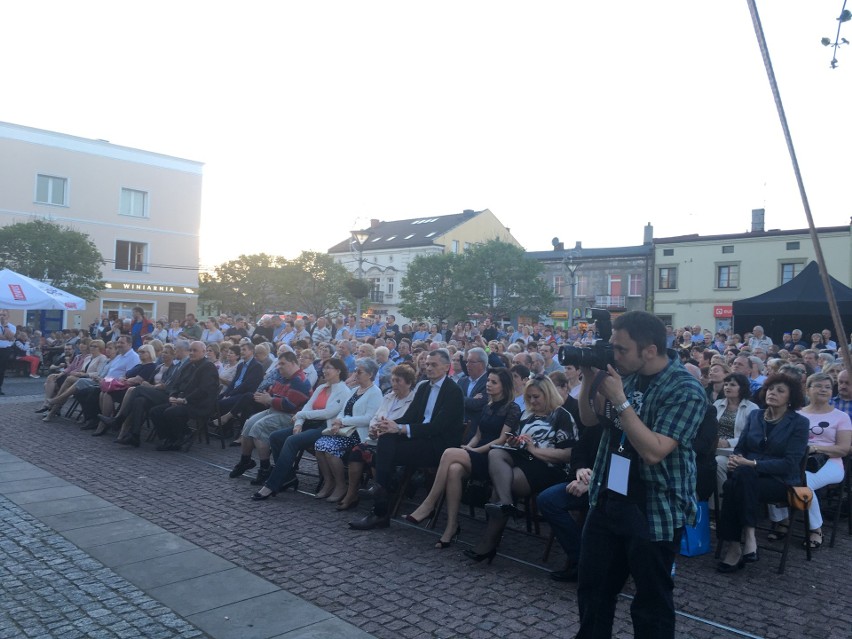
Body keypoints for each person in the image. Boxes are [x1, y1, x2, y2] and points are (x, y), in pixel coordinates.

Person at [574, 311, 706, 639]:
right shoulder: (626, 374)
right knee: (593, 589)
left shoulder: (685, 389)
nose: (614, 355)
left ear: (649, 350)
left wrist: (620, 400)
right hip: (608, 496)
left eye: (620, 349)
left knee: (650, 602)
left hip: (653, 506)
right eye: (612, 348)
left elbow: (654, 450)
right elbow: (590, 420)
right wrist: (590, 377)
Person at [404, 367, 521, 548]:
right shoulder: (487, 406)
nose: (488, 384)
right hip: (479, 451)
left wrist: (474, 451)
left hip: (494, 459)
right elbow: (478, 435)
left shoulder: (512, 408)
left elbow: (501, 440)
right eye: (488, 380)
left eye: (493, 382)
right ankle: (451, 527)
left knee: (449, 453)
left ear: (504, 386)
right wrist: (469, 447)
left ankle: (429, 504)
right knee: (454, 469)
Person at [464, 375, 576, 562]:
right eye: (529, 397)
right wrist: (514, 442)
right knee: (495, 453)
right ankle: (506, 505)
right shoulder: (527, 415)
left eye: (536, 397)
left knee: (501, 487)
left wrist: (534, 448)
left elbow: (567, 454)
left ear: (547, 394)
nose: (532, 401)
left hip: (547, 466)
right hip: (521, 459)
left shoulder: (562, 416)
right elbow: (514, 441)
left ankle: (488, 543)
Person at [349, 349, 464, 530]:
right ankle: (381, 495)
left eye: (434, 364)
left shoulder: (453, 391)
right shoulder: (424, 386)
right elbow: (411, 416)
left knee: (385, 453)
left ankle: (379, 504)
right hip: (419, 439)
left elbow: (437, 427)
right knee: (386, 438)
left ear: (446, 366)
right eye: (427, 364)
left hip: (438, 446)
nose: (429, 367)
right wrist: (388, 425)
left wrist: (400, 428)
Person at [716, 374, 808, 571]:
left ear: (790, 398)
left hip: (780, 481)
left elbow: (790, 464)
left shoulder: (799, 423)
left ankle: (736, 547)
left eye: (780, 390)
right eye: (770, 389)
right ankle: (748, 539)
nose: (772, 393)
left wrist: (752, 463)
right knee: (739, 479)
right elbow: (740, 448)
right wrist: (735, 459)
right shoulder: (756, 415)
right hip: (748, 477)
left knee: (733, 485)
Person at [765, 373, 851, 549]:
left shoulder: (841, 417)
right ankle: (783, 519)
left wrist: (814, 448)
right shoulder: (796, 414)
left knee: (802, 482)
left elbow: (843, 449)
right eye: (818, 386)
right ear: (808, 389)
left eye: (827, 387)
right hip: (796, 460)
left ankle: (815, 529)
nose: (823, 390)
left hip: (830, 462)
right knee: (772, 472)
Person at [250, 358, 351, 498]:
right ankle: (288, 476)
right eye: (324, 368)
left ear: (338, 371)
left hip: (324, 427)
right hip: (309, 423)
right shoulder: (322, 387)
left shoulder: (343, 390)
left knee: (292, 441)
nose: (324, 371)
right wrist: (298, 423)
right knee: (276, 437)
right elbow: (308, 406)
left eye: (329, 368)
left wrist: (300, 415)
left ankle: (272, 485)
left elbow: (329, 412)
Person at [335, 365, 418, 511]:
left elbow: (407, 423)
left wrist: (385, 429)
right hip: (377, 437)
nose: (394, 384)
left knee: (374, 456)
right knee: (357, 451)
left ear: (409, 383)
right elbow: (375, 416)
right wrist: (373, 428)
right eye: (392, 380)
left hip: (396, 442)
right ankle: (352, 493)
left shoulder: (413, 402)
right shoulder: (389, 397)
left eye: (398, 381)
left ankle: (382, 497)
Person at [229, 351, 313, 483]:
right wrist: (265, 397)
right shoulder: (284, 377)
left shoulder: (299, 380)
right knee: (248, 423)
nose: (279, 367)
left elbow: (289, 405)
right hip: (275, 410)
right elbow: (273, 392)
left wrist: (269, 400)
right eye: (279, 364)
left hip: (291, 417)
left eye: (282, 364)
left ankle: (265, 469)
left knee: (259, 428)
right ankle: (245, 461)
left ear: (292, 363)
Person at [313, 358, 383, 503]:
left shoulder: (375, 393)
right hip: (345, 431)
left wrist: (343, 421)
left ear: (370, 374)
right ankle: (328, 482)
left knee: (329, 448)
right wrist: (337, 422)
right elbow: (343, 410)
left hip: (359, 434)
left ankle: (341, 485)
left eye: (359, 371)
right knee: (319, 445)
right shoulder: (354, 390)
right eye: (355, 371)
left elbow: (369, 418)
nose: (355, 374)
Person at [149, 341, 220, 451]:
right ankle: (169, 438)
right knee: (155, 411)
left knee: (171, 412)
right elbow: (176, 384)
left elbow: (203, 390)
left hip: (199, 404)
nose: (191, 353)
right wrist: (172, 396)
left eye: (195, 350)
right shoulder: (188, 365)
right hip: (181, 401)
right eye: (190, 350)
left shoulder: (208, 367)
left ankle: (181, 436)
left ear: (204, 352)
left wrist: (184, 400)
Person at [713, 373, 759, 500]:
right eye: (726, 384)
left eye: (732, 385)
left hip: (738, 452)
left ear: (742, 388)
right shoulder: (717, 404)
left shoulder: (752, 408)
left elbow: (752, 436)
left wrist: (728, 442)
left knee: (718, 463)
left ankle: (722, 506)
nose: (727, 387)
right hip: (714, 447)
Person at [0, 309, 16, 395]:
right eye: (0, 315)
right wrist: (7, 337)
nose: (2, 317)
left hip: (5, 350)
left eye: (4, 315)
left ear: (8, 316)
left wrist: (5, 326)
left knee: (1, 370)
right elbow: (9, 338)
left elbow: (10, 337)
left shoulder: (12, 326)